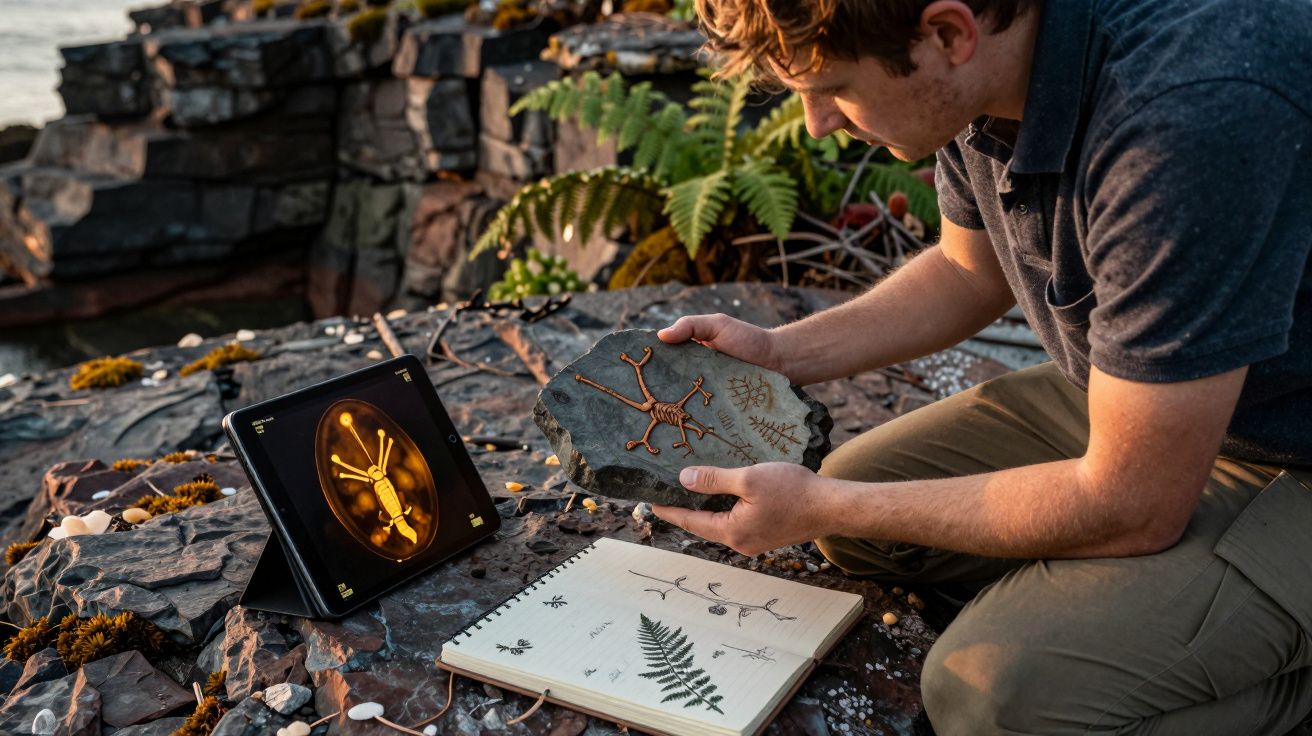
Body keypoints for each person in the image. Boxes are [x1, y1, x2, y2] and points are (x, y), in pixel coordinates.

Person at [650, 1, 1312, 733]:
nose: (817, 123)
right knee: (859, 519)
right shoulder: (990, 70)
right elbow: (969, 272)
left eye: (834, 88)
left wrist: (817, 506)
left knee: (993, 697)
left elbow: (1135, 503)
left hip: (1289, 447)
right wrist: (778, 354)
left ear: (947, 33)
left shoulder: (1183, 117)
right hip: (1153, 402)